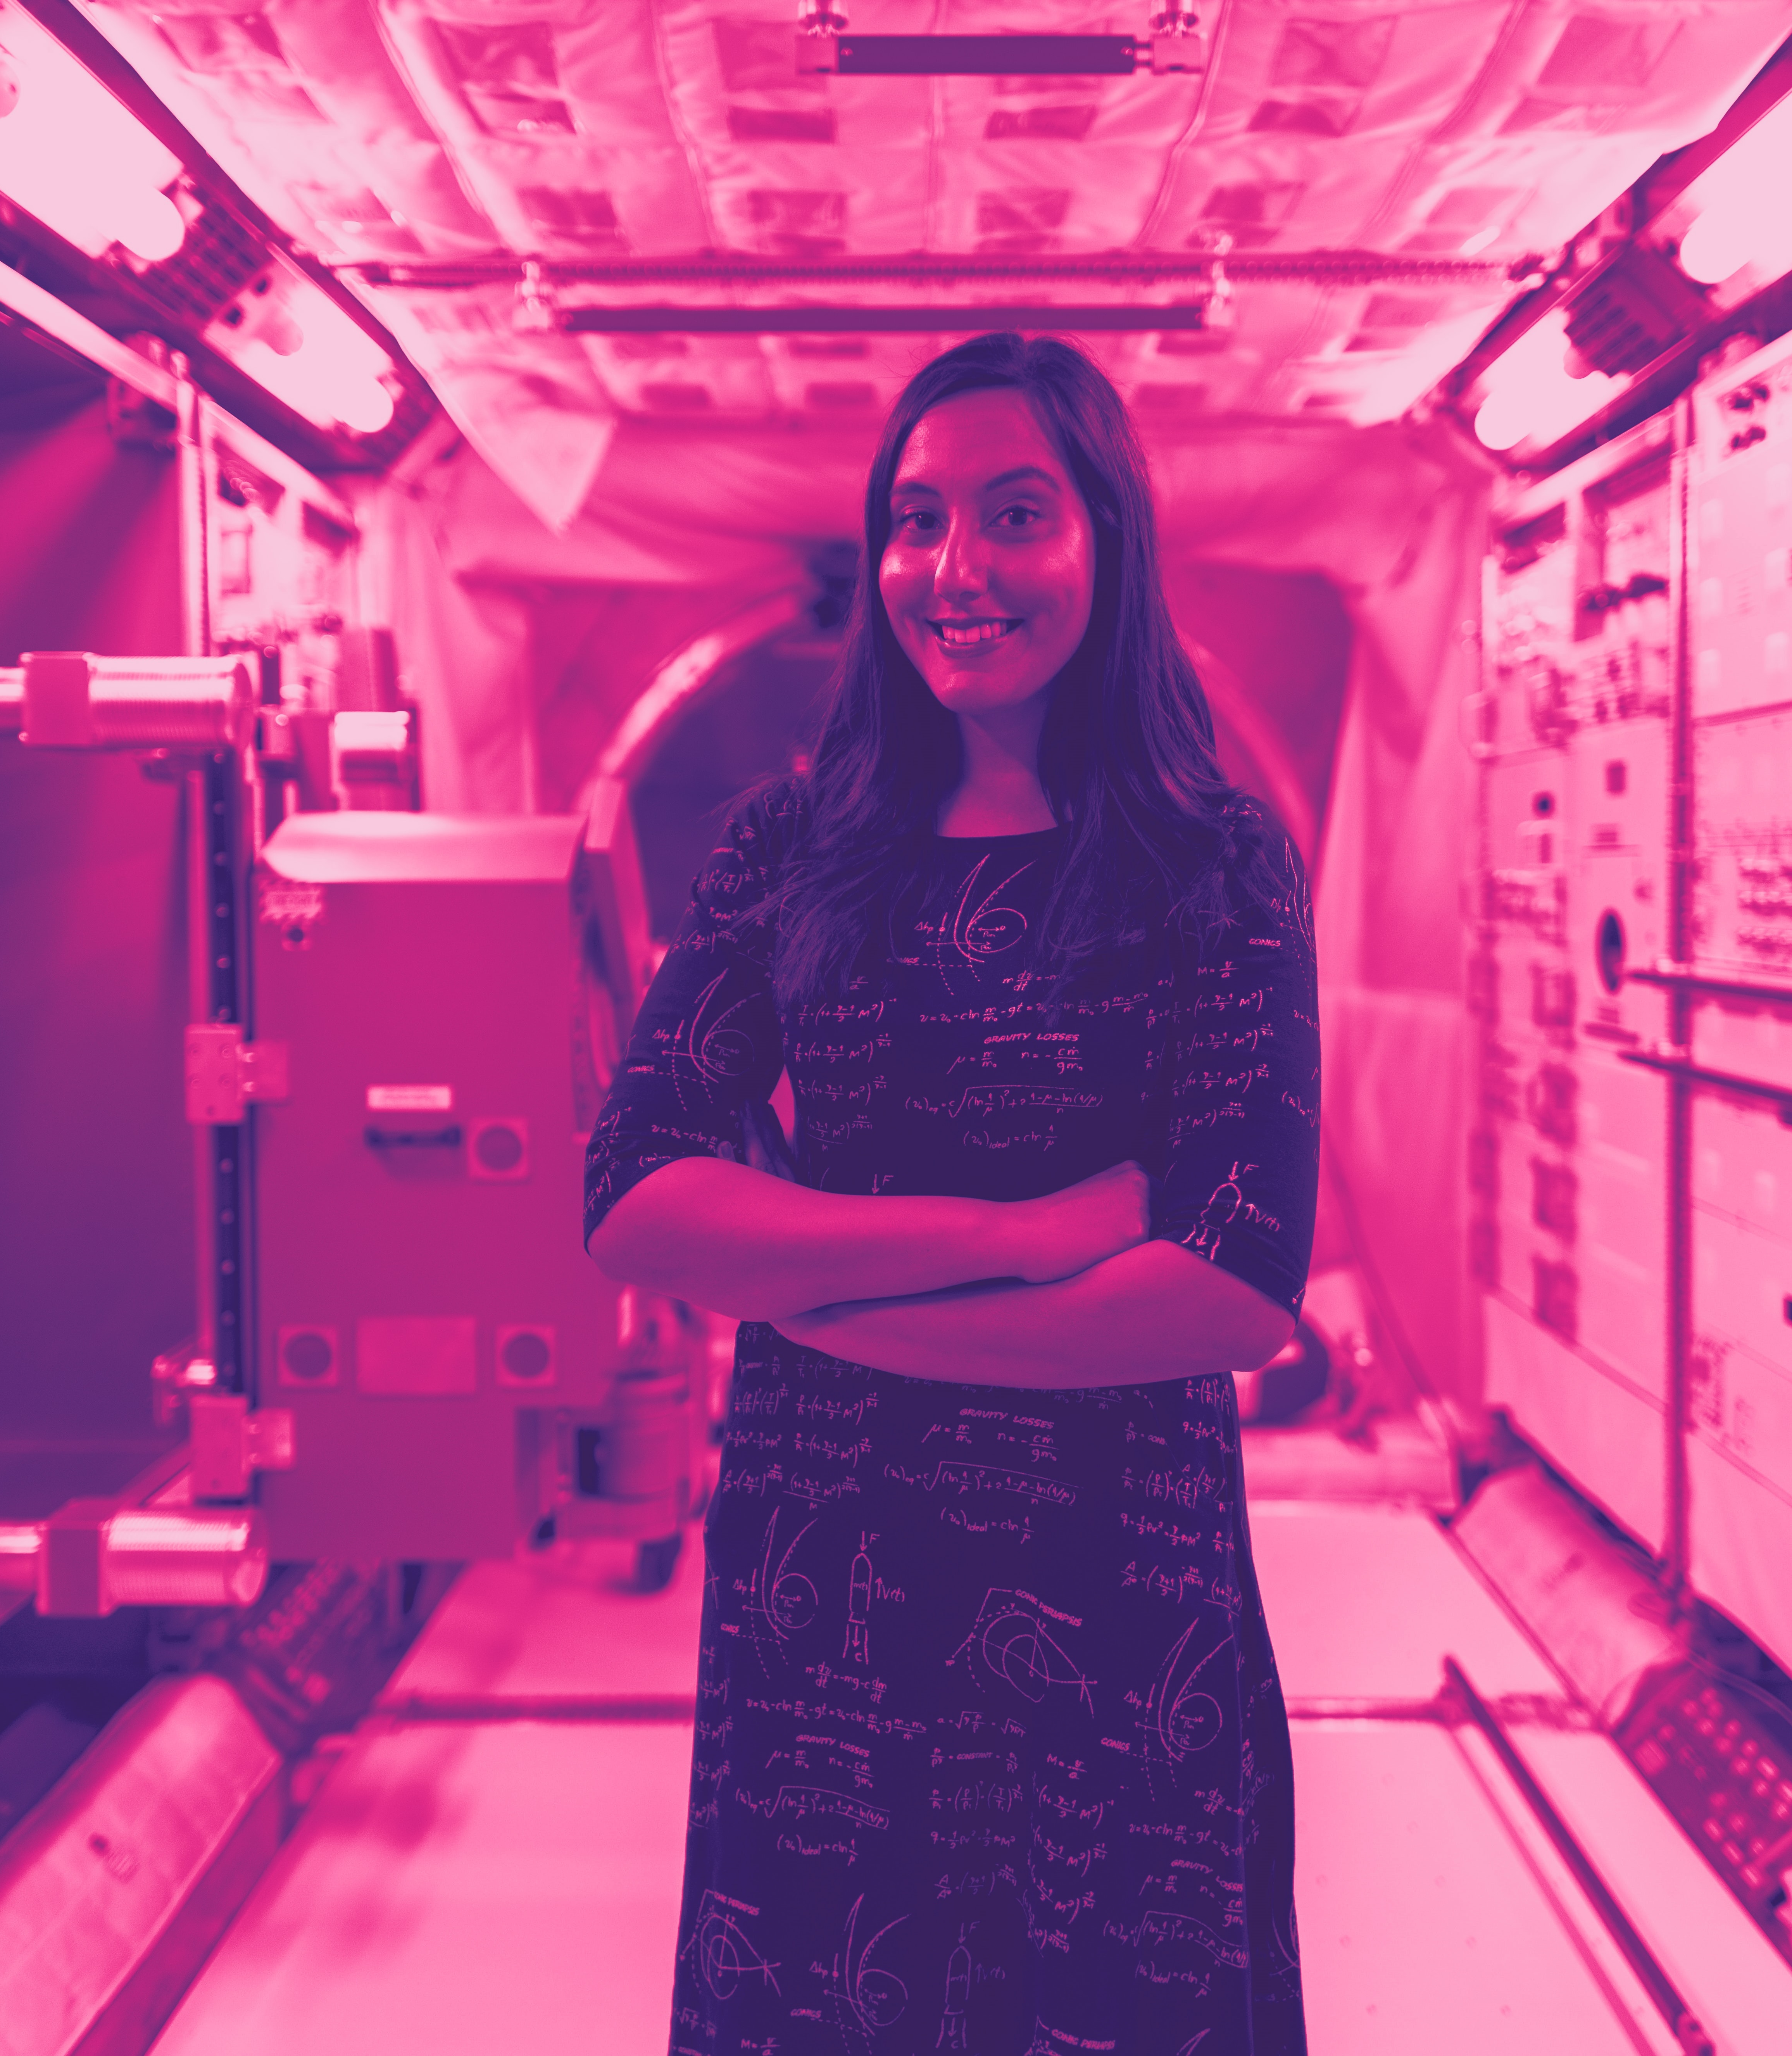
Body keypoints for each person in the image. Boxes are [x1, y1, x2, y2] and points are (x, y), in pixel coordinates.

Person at [586, 331, 1317, 2056]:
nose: (955, 571)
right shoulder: (792, 843)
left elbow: (1230, 1286)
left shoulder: (1212, 855)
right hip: (826, 1598)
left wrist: (818, 1301)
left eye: (1014, 517)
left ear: (1107, 546)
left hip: (1121, 1602)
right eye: (915, 523)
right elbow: (636, 1194)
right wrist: (1024, 1241)